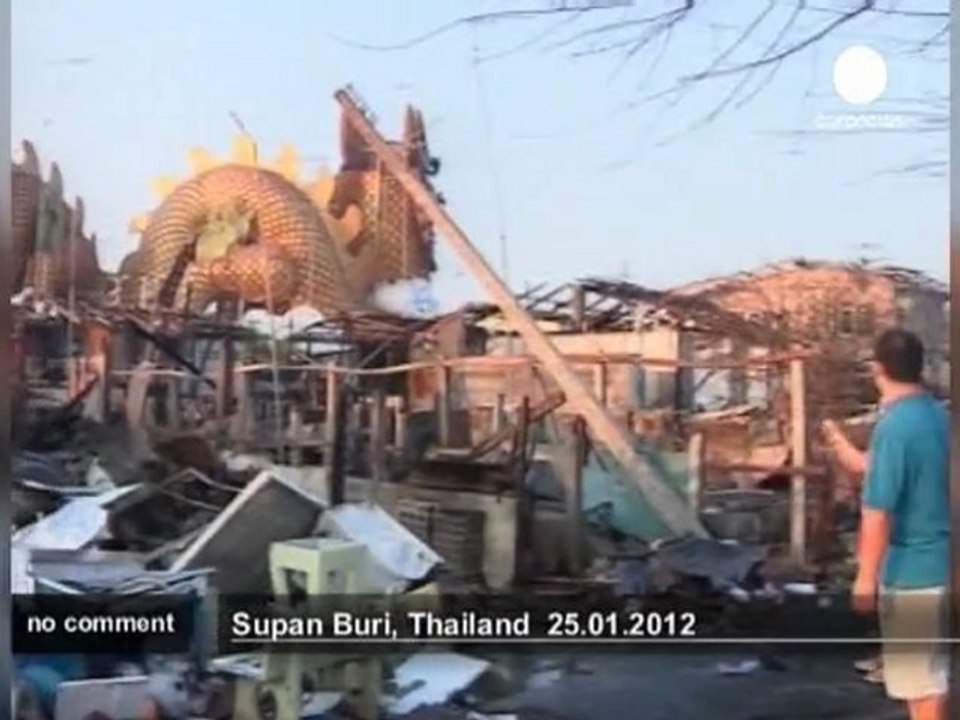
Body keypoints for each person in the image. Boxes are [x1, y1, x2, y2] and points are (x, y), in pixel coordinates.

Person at [822, 328, 949, 720]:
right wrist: (837, 441)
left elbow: (878, 511)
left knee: (922, 689)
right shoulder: (936, 417)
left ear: (877, 369)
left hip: (913, 573)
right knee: (934, 677)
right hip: (943, 563)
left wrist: (865, 578)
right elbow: (876, 470)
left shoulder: (894, 428)